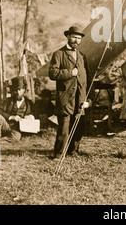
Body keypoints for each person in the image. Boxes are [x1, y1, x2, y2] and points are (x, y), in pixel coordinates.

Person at [49, 25, 92, 160]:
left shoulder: (82, 56)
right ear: (68, 37)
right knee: (64, 128)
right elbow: (52, 73)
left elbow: (86, 80)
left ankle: (73, 151)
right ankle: (58, 153)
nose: (76, 40)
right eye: (74, 37)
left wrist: (86, 99)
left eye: (79, 38)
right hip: (65, 98)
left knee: (78, 126)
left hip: (79, 99)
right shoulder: (58, 54)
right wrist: (70, 73)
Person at [0, 76, 35, 142]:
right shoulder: (9, 101)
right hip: (6, 125)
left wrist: (30, 117)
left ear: (24, 90)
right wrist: (11, 117)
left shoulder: (29, 103)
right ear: (13, 91)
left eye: (20, 90)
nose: (18, 92)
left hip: (17, 128)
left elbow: (35, 113)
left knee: (16, 138)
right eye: (16, 90)